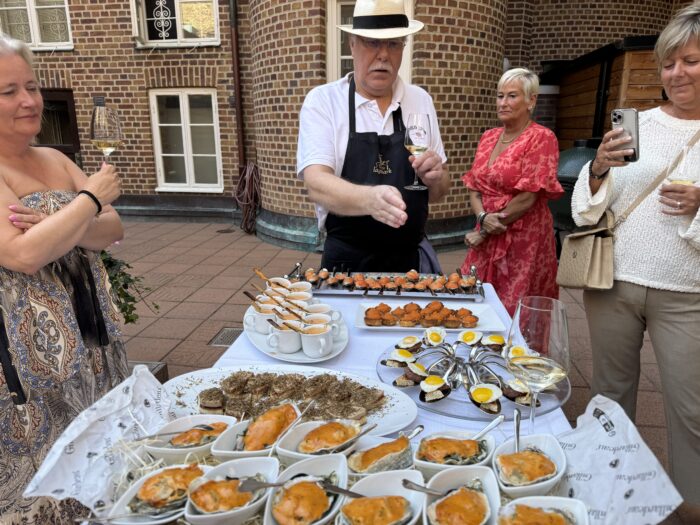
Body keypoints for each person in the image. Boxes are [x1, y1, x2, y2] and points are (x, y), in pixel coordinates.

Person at [571, 4, 700, 522]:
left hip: (686, 291)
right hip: (613, 281)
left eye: (691, 60)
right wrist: (598, 167)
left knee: (690, 411)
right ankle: (608, 498)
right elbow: (588, 207)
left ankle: (691, 508)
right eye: (669, 63)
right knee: (610, 396)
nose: (676, 73)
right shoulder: (636, 125)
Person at [0, 35, 128, 523]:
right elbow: (23, 254)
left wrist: (66, 226)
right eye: (8, 91)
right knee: (48, 476)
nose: (29, 101)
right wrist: (87, 202)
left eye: (31, 86)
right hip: (32, 359)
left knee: (104, 459)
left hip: (93, 341)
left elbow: (113, 232)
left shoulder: (54, 159)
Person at [297, 0, 449, 272]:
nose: (383, 55)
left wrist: (435, 176)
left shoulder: (420, 101)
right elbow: (316, 183)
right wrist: (370, 200)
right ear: (351, 44)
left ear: (403, 47)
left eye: (393, 44)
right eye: (371, 42)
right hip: (345, 264)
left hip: (409, 264)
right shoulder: (323, 101)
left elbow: (438, 192)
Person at [460, 68, 563, 315]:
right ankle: (478, 353)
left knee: (515, 304)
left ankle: (518, 353)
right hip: (486, 228)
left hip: (522, 237)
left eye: (512, 96)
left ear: (531, 100)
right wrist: (482, 218)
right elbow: (474, 186)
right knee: (475, 298)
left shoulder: (541, 138)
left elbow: (528, 196)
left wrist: (484, 231)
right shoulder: (489, 136)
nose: (503, 103)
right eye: (500, 95)